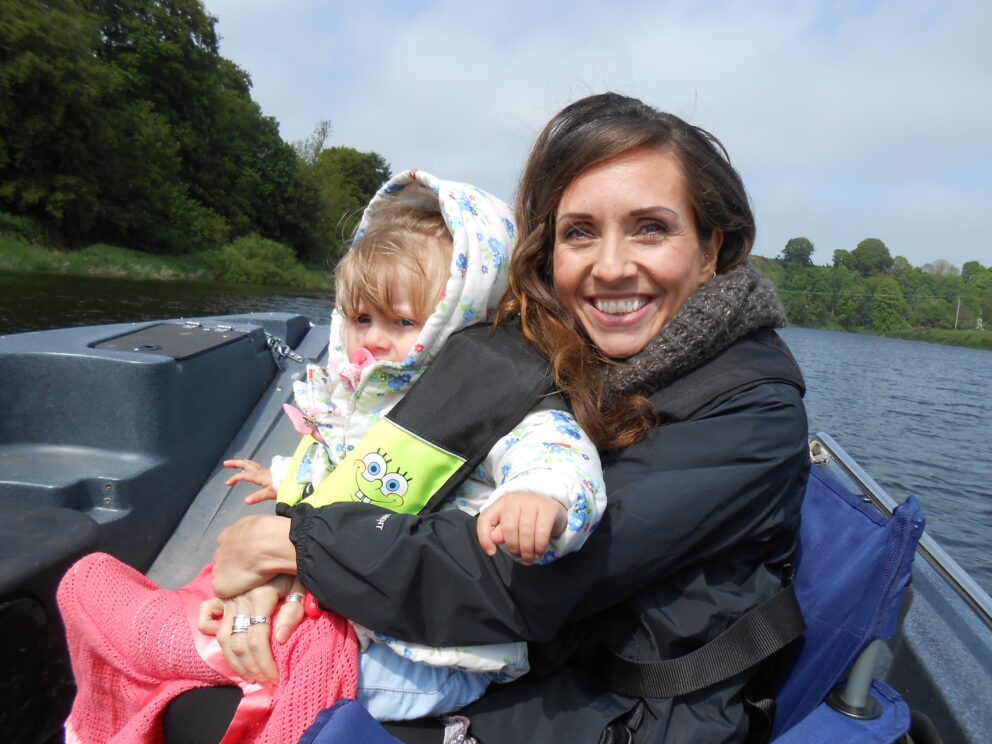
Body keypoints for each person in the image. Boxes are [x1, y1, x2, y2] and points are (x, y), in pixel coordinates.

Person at [182, 92, 810, 743]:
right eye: (581, 232)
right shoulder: (573, 355)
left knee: (210, 711)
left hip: (618, 715)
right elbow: (399, 478)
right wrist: (281, 577)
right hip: (521, 660)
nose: (613, 266)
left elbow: (521, 579)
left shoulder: (751, 413)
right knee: (212, 669)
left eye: (651, 228)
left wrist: (295, 547)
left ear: (711, 250)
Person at [56, 170, 606, 742]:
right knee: (88, 579)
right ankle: (177, 646)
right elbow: (342, 475)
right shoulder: (357, 397)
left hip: (428, 655)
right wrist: (286, 478)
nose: (372, 339)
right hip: (345, 607)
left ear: (461, 316)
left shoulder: (502, 398)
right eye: (362, 318)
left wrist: (542, 497)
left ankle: (176, 648)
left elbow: (559, 453)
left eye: (403, 322)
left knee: (295, 644)